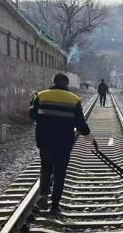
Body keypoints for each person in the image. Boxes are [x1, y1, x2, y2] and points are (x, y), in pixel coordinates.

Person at [29, 73, 91, 215]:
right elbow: (80, 123)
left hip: (45, 140)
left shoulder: (41, 95)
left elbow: (33, 115)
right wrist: (88, 135)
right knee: (60, 173)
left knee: (46, 168)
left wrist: (31, 104)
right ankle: (55, 206)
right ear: (67, 84)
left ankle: (44, 195)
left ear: (53, 82)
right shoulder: (74, 99)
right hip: (64, 142)